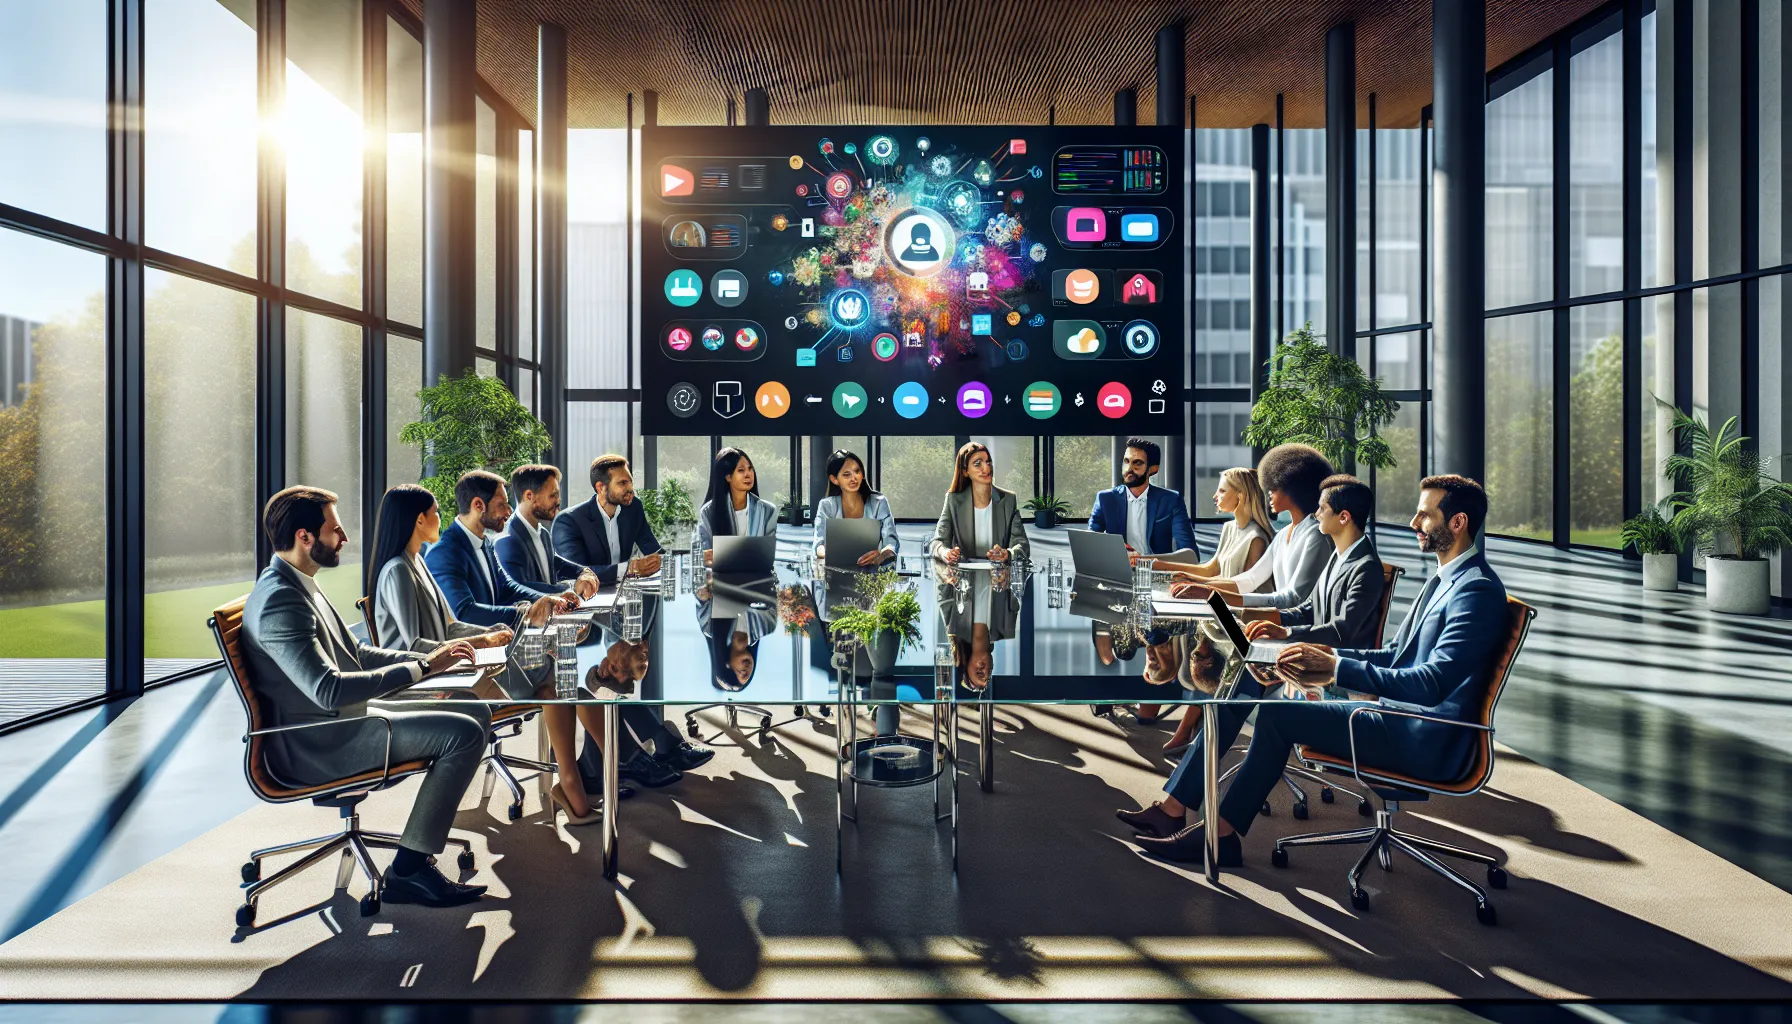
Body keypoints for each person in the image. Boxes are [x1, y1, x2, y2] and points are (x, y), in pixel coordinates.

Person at [1122, 475, 1509, 866]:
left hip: (1424, 737)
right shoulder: (1445, 580)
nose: (1413, 522)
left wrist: (1334, 668)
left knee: (1275, 715)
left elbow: (1431, 685)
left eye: (1424, 515)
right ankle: (1181, 812)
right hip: (1396, 718)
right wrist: (1313, 655)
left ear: (1457, 523)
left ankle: (1218, 837)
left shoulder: (1474, 590)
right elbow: (1394, 654)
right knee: (1245, 680)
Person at [241, 486, 489, 909]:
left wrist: (427, 658)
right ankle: (409, 870)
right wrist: (422, 668)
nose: (345, 538)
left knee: (474, 709)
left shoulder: (299, 582)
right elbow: (329, 688)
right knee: (462, 733)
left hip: (344, 719)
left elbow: (354, 654)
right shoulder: (281, 599)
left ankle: (414, 855)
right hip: (320, 741)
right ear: (305, 537)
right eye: (335, 529)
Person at [366, 484, 625, 826]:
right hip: (433, 681)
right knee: (553, 674)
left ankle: (583, 778)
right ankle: (596, 774)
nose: (441, 519)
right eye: (435, 513)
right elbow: (415, 647)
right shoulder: (399, 570)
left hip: (458, 666)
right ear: (417, 521)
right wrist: (484, 643)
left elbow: (450, 626)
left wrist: (487, 635)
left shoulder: (418, 564)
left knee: (555, 674)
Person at [1169, 444, 1333, 610]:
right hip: (1275, 622)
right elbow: (1251, 578)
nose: (1268, 491)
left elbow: (1293, 598)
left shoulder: (1316, 536)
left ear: (1294, 487)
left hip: (1296, 630)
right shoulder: (1283, 535)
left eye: (1275, 486)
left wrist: (1211, 593)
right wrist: (1200, 585)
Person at [1244, 474, 1386, 650]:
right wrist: (1261, 618)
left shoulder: (1366, 567)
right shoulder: (1337, 555)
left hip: (1338, 665)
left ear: (1343, 517)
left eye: (1322, 508)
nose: (1316, 514)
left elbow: (1341, 630)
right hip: (1316, 653)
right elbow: (1310, 609)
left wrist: (1287, 633)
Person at [553, 455, 664, 586]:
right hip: (588, 599)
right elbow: (577, 573)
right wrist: (630, 569)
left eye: (630, 482)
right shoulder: (568, 521)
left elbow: (652, 549)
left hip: (624, 595)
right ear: (601, 487)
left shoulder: (633, 508)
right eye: (622, 483)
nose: (630, 489)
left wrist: (659, 561)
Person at [1087, 438, 1198, 564]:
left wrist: (1143, 561)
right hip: (1118, 570)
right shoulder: (1105, 499)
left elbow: (1190, 554)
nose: (1129, 468)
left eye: (1138, 463)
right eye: (1126, 461)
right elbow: (1090, 546)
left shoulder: (1171, 500)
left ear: (1153, 469)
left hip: (1158, 573)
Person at [496, 464, 601, 597]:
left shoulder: (543, 533)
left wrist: (583, 572)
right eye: (553, 495)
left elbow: (553, 562)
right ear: (529, 496)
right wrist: (570, 588)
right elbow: (520, 586)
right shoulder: (507, 539)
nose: (558, 501)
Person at [1154, 467, 1273, 583]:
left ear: (1240, 495)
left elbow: (1242, 587)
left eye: (1222, 491)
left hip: (1242, 602)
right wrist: (1159, 565)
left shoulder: (1256, 538)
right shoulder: (1229, 528)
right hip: (1221, 599)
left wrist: (1188, 580)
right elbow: (1210, 569)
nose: (1215, 496)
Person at [929, 442, 1029, 565]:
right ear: (965, 471)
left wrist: (1008, 554)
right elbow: (937, 543)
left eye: (988, 462)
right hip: (964, 579)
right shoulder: (953, 500)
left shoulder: (1008, 500)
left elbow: (1022, 546)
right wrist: (945, 553)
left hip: (998, 578)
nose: (987, 468)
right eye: (978, 464)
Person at [811, 449, 898, 565]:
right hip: (836, 570)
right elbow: (819, 542)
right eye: (846, 474)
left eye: (857, 471)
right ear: (835, 479)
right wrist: (825, 553)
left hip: (873, 572)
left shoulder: (878, 503)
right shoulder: (827, 506)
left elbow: (891, 540)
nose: (854, 478)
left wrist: (882, 554)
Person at [695, 447, 779, 562]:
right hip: (720, 577)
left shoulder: (768, 511)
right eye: (741, 470)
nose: (748, 474)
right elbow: (704, 555)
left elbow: (769, 555)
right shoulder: (708, 512)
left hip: (756, 577)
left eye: (750, 469)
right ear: (728, 477)